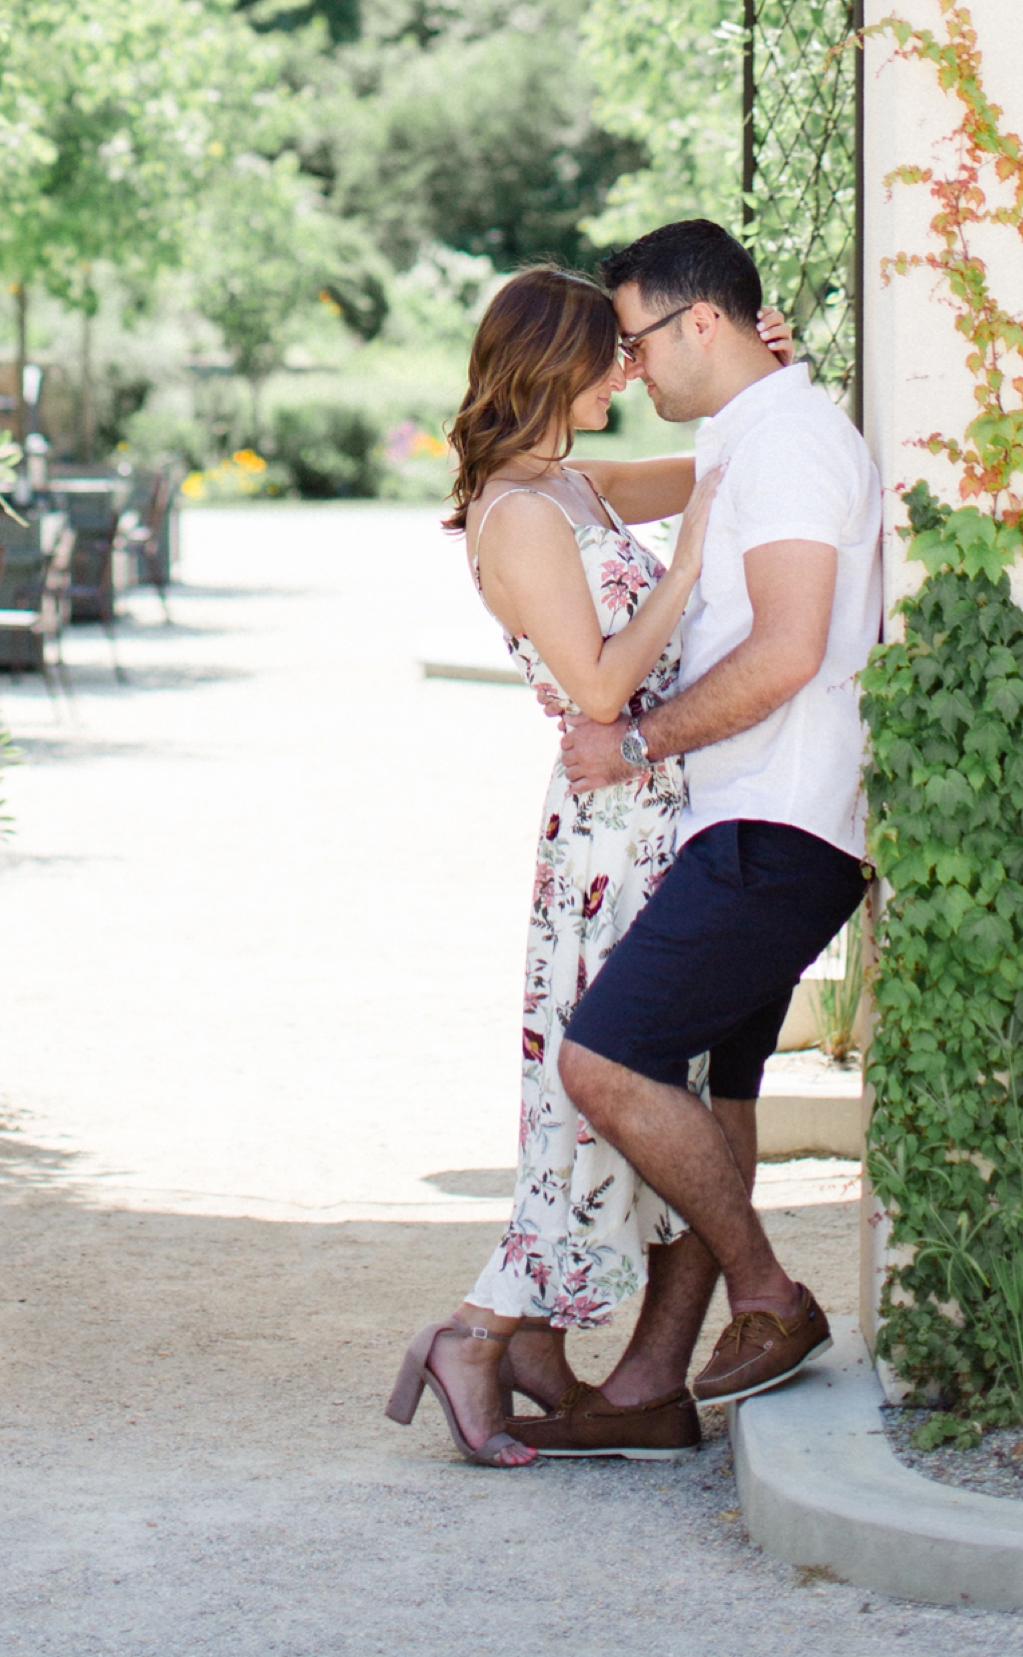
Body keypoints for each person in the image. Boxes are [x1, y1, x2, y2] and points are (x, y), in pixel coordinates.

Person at [385, 264, 791, 1471]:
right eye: (610, 353)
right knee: (600, 1096)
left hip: (663, 814)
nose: (631, 368)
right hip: (613, 834)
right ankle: (476, 1331)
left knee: (652, 1090)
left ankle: (529, 1344)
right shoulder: (515, 515)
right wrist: (686, 565)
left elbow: (719, 463)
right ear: (554, 363)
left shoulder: (572, 482)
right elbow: (602, 689)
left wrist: (767, 371)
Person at [553, 218, 881, 1415]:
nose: (628, 370)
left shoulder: (788, 446)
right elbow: (585, 487)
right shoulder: (754, 438)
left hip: (776, 827)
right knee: (716, 1100)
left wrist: (632, 742)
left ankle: (768, 1294)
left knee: (602, 1059)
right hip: (750, 821)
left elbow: (789, 651)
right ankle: (650, 1384)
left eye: (636, 340)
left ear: (703, 321)